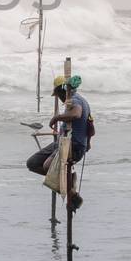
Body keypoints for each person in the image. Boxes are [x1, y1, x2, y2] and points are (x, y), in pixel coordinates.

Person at [26, 74, 93, 211]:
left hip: (72, 145)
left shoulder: (75, 100)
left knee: (47, 166)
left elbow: (76, 114)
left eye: (58, 94)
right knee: (32, 163)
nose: (60, 98)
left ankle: (69, 188)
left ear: (62, 90)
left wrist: (57, 118)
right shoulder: (73, 100)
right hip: (62, 141)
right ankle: (69, 185)